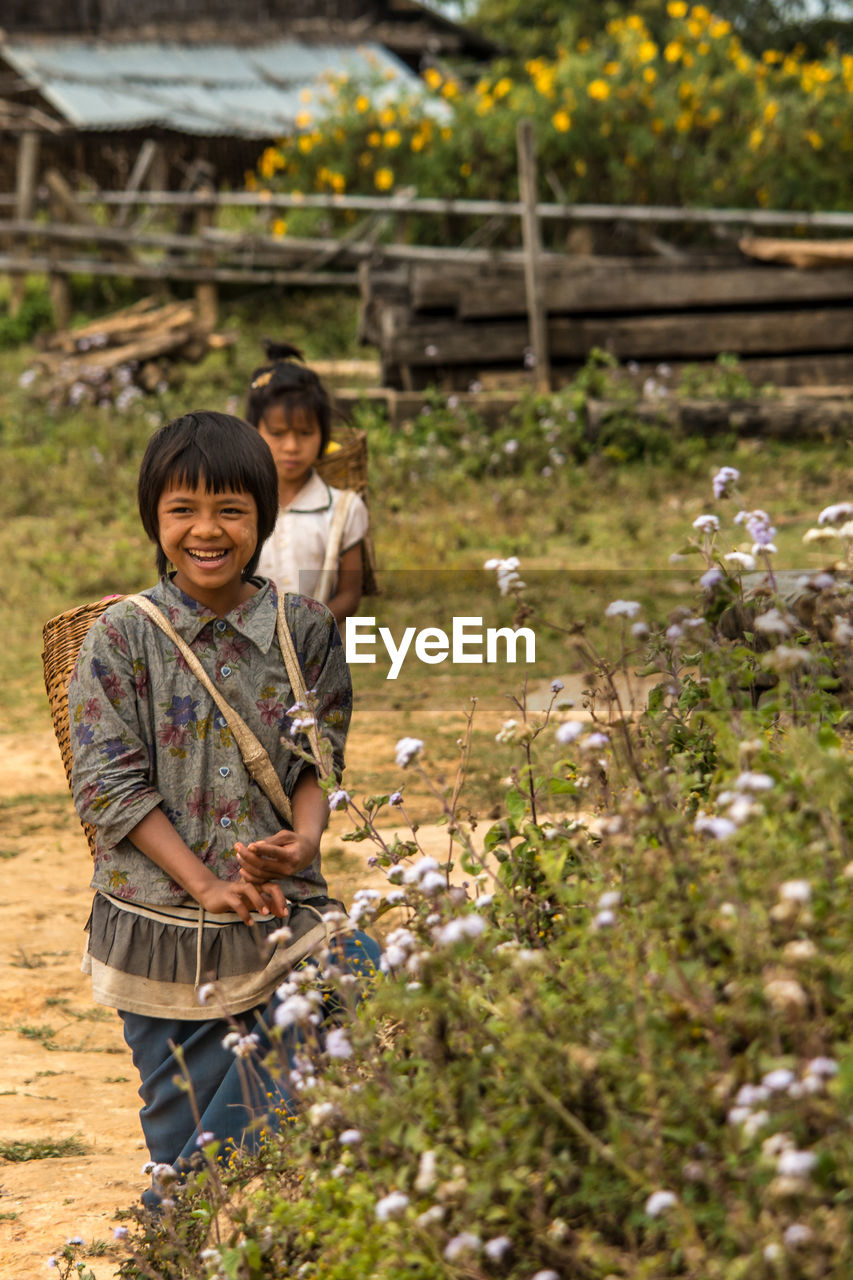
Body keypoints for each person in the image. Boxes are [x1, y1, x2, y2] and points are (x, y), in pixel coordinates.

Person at [68, 410, 380, 1209]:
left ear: (261, 518)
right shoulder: (120, 636)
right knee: (180, 1128)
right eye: (182, 510)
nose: (206, 531)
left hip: (279, 912)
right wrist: (204, 885)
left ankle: (203, 1226)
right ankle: (180, 1234)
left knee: (359, 989)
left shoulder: (302, 629)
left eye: (230, 510)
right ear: (154, 518)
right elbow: (109, 786)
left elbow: (316, 757)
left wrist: (304, 843)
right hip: (157, 927)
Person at [247, 341, 369, 626]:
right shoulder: (236, 507)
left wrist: (306, 630)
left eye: (305, 433)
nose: (291, 446)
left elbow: (350, 595)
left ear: (323, 435)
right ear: (253, 432)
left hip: (320, 661)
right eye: (277, 433)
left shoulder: (344, 509)